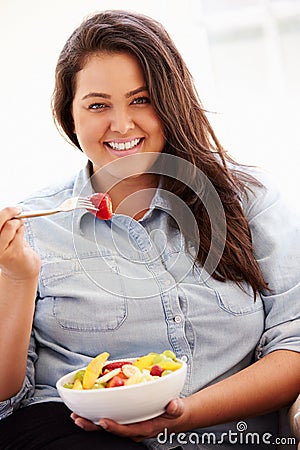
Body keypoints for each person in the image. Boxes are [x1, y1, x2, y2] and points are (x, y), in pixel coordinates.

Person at [0, 9, 299, 450]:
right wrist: (18, 279)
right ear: (70, 113)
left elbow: (293, 344)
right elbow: (9, 399)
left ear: (172, 102)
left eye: (141, 100)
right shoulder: (35, 227)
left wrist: (185, 415)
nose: (121, 125)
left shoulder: (247, 200)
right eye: (98, 105)